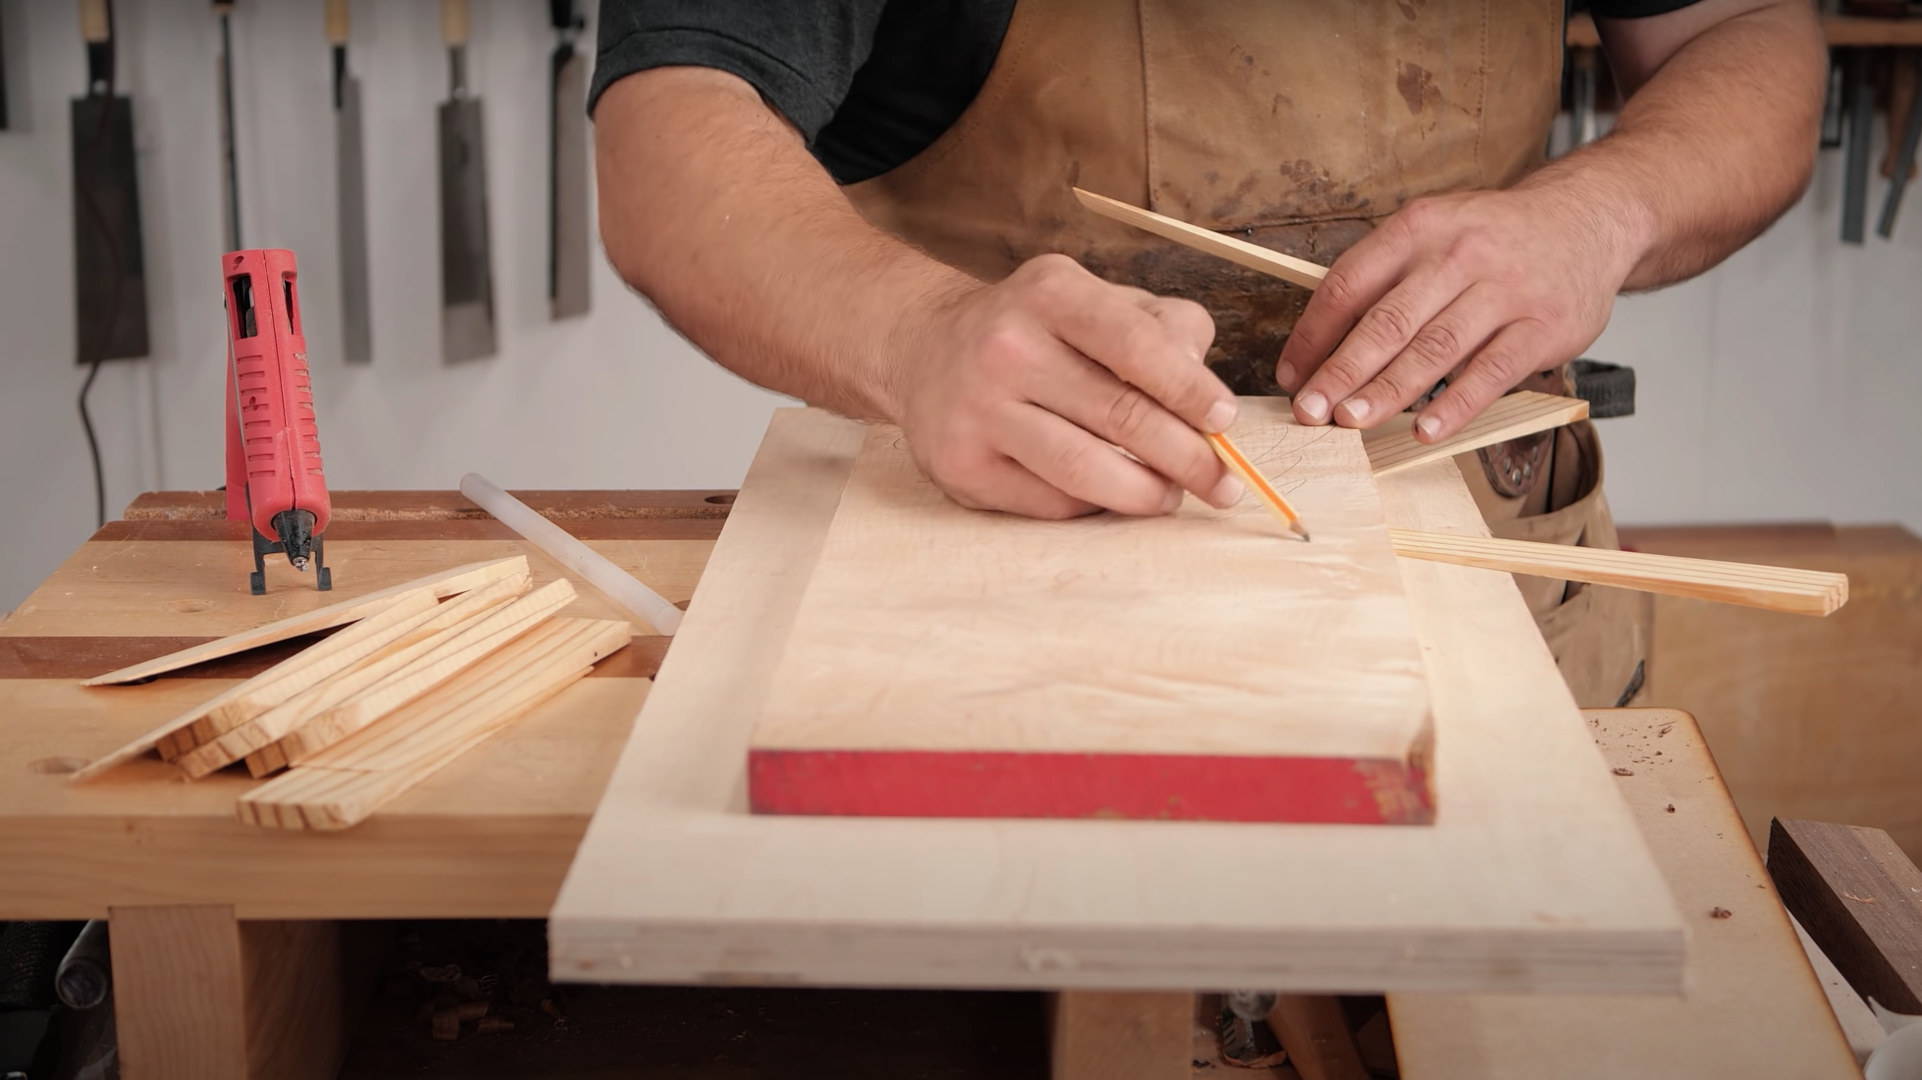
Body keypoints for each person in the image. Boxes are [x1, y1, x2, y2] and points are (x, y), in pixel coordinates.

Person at [587, 0, 1825, 708]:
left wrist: (1597, 213)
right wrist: (914, 334)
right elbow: (669, 127)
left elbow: (1744, 32)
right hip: (999, 600)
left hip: (1487, 589)